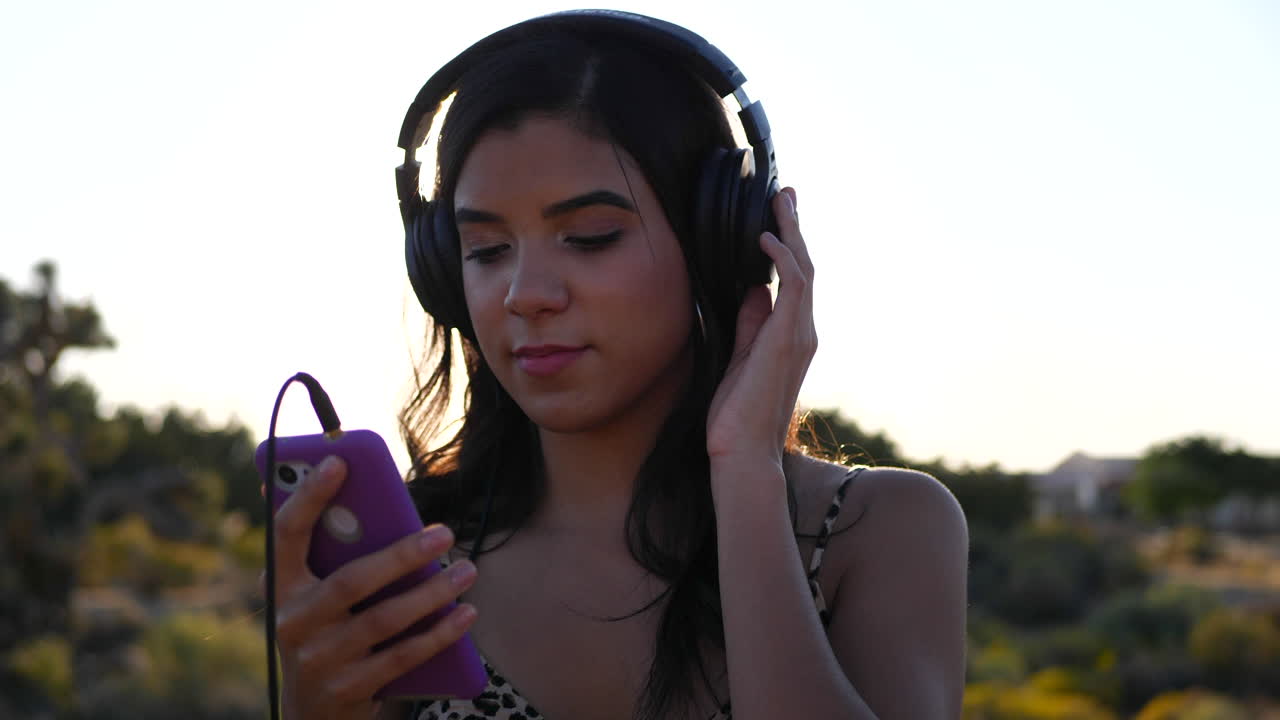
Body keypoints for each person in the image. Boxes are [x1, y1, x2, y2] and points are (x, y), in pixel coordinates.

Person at [269, 10, 969, 720]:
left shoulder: (878, 530)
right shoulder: (410, 559)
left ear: (716, 240)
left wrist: (745, 473)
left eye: (590, 237)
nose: (525, 295)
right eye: (486, 250)